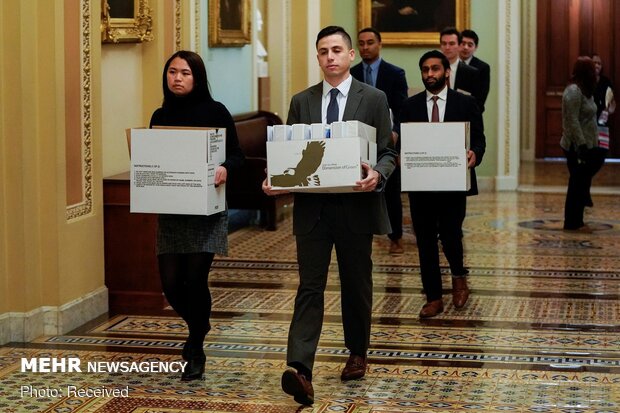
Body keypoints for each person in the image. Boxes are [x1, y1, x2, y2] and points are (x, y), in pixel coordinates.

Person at [262, 26, 397, 406]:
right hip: (313, 211)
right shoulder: (301, 101)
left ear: (351, 54)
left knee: (356, 284)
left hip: (356, 206)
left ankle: (357, 352)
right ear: (318, 57)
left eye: (337, 50)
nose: (330, 57)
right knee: (309, 287)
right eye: (323, 51)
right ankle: (299, 368)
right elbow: (290, 154)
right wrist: (275, 180)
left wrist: (378, 174)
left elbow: (387, 151)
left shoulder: (373, 98)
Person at [149, 50, 244, 381]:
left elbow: (237, 155)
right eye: (172, 72)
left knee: (195, 279)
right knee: (172, 284)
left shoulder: (216, 112)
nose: (177, 78)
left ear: (197, 77)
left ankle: (195, 346)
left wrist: (224, 168)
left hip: (206, 212)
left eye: (185, 73)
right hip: (172, 212)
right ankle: (199, 324)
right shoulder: (159, 115)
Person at [399, 50, 485, 318]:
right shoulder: (409, 106)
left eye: (435, 69)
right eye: (425, 70)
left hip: (452, 183)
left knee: (450, 235)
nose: (430, 74)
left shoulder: (466, 104)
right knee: (424, 241)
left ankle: (459, 277)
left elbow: (479, 140)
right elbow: (404, 143)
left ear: (447, 72)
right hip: (421, 185)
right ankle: (433, 297)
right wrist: (402, 157)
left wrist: (475, 154)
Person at [351, 27, 408, 255]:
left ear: (379, 44)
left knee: (391, 191)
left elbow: (403, 108)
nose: (366, 47)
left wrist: (394, 132)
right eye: (361, 43)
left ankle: (395, 237)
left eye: (370, 42)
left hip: (388, 140)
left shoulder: (395, 73)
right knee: (360, 184)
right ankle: (364, 231)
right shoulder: (351, 73)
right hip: (359, 140)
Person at [559, 56, 599, 231]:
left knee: (581, 184)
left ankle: (579, 221)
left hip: (587, 144)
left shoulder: (585, 90)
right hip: (576, 146)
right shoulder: (573, 91)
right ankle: (572, 223)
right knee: (576, 185)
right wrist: (581, 145)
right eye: (592, 69)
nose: (596, 71)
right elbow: (572, 121)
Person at [588, 54, 616, 207]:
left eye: (599, 63)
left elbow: (612, 104)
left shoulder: (606, 82)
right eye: (594, 63)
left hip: (602, 124)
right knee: (589, 155)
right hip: (588, 124)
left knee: (601, 156)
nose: (597, 65)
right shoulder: (585, 81)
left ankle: (584, 181)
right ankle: (585, 190)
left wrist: (610, 108)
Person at [440, 27, 484, 112]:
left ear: (460, 46)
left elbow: (476, 104)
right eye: (444, 43)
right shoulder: (433, 71)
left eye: (452, 43)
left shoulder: (471, 73)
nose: (447, 47)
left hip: (462, 118)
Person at [460, 29, 490, 111]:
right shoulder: (449, 64)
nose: (465, 47)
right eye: (463, 43)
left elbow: (481, 97)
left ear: (475, 47)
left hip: (473, 113)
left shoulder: (482, 68)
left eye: (470, 45)